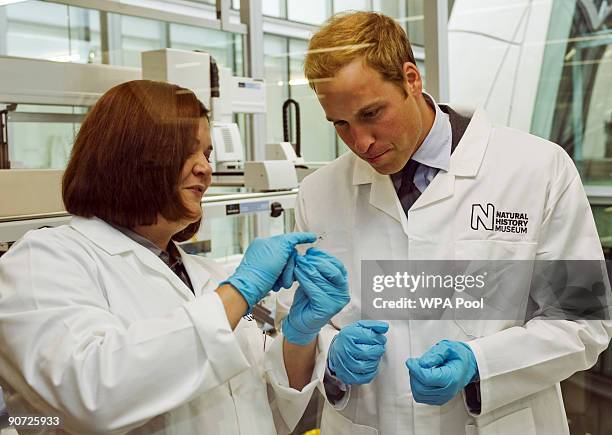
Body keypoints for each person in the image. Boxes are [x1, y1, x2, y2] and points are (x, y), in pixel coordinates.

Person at [284, 11, 612, 434]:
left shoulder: (538, 169)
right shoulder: (319, 193)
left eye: (371, 114)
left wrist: (481, 365)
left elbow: (582, 322)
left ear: (411, 79)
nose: (360, 142)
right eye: (341, 125)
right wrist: (332, 353)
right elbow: (305, 323)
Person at [0, 80, 348, 434]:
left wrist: (300, 337)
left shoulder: (202, 275)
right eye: (187, 152)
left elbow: (257, 405)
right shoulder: (42, 262)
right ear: (129, 155)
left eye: (207, 155)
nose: (206, 169)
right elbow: (90, 396)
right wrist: (240, 292)